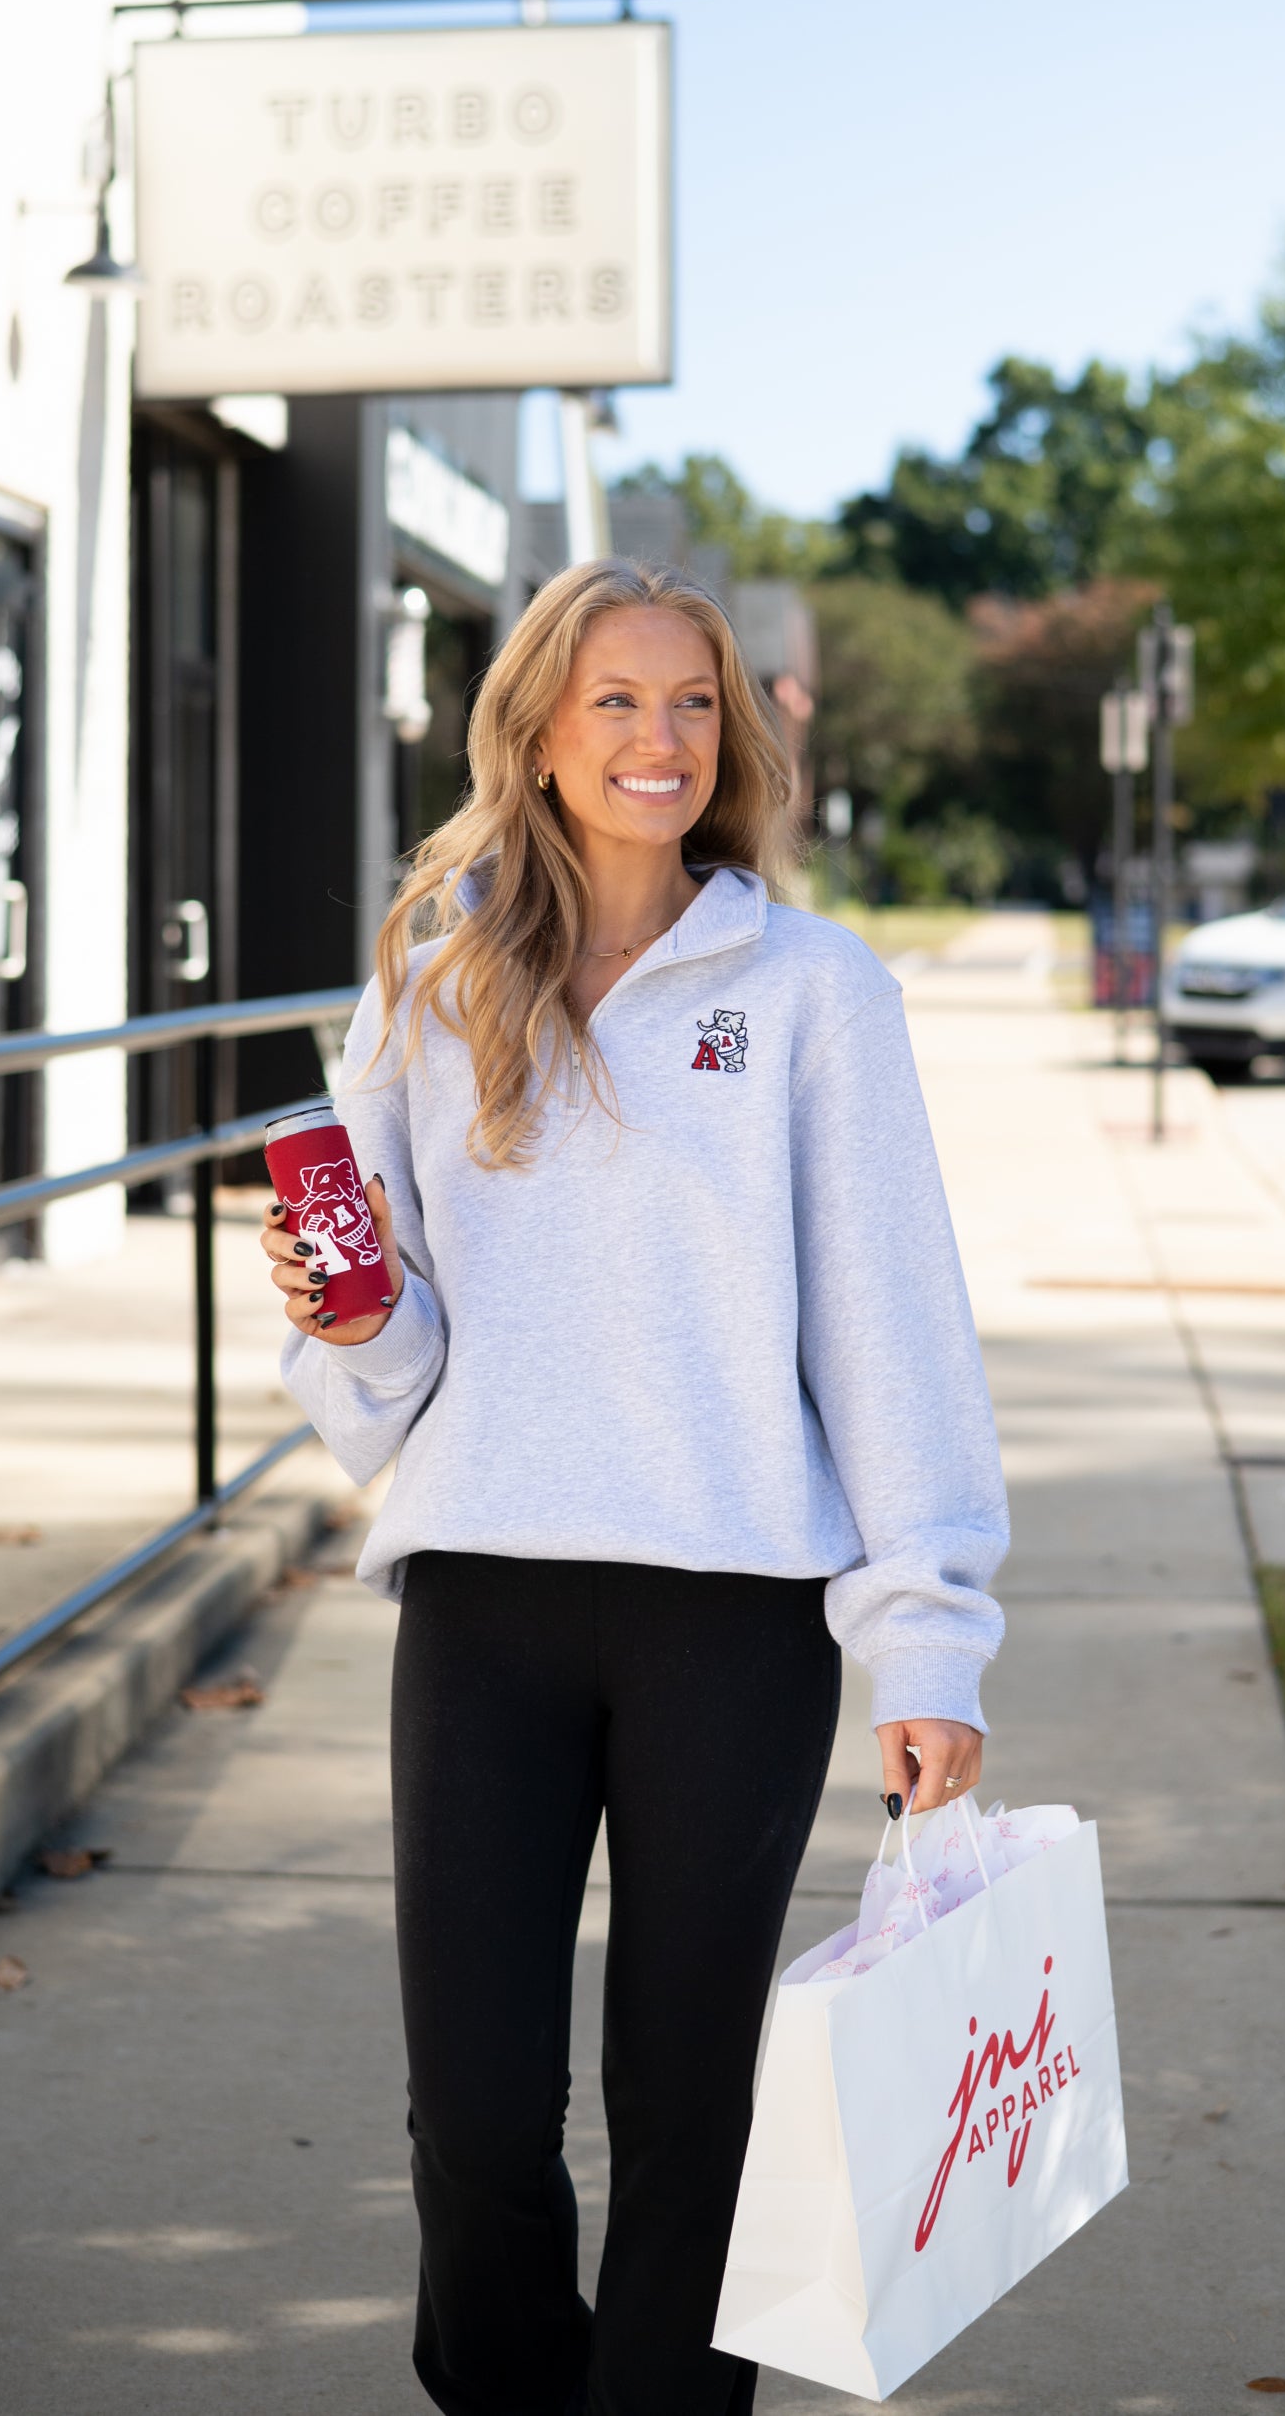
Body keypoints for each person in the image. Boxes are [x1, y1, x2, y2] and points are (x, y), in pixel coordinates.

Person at [260, 559, 1008, 2416]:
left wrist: (929, 1640)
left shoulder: (816, 993)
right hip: (488, 1600)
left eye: (693, 702)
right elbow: (390, 1351)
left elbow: (893, 1329)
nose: (658, 739)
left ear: (732, 732)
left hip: (735, 1615)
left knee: (693, 2104)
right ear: (535, 728)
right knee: (480, 2114)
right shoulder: (435, 979)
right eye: (613, 700)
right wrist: (336, 1319)